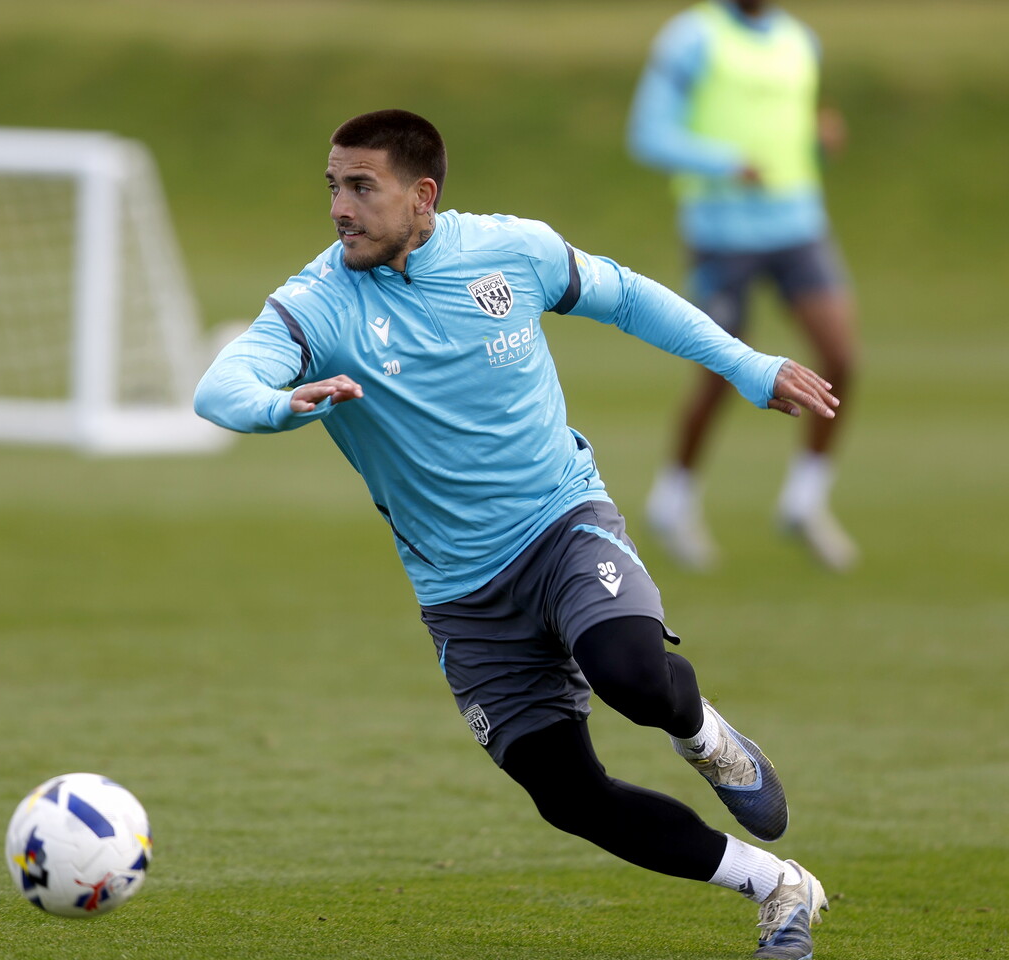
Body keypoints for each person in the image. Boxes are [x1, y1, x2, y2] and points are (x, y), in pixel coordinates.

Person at [195, 109, 832, 958]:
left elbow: (629, 297)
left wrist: (750, 367)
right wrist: (279, 404)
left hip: (562, 525)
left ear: (422, 196)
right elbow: (221, 385)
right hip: (460, 591)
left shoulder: (511, 251)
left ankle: (708, 739)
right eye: (333, 188)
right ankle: (779, 887)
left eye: (361, 187)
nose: (341, 209)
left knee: (633, 677)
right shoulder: (318, 302)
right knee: (567, 795)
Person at [628, 0, 859, 572]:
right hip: (722, 232)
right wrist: (726, 162)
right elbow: (648, 134)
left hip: (799, 226)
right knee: (721, 367)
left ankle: (805, 502)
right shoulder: (691, 36)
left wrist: (816, 142)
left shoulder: (799, 40)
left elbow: (784, 136)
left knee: (841, 357)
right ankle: (673, 500)